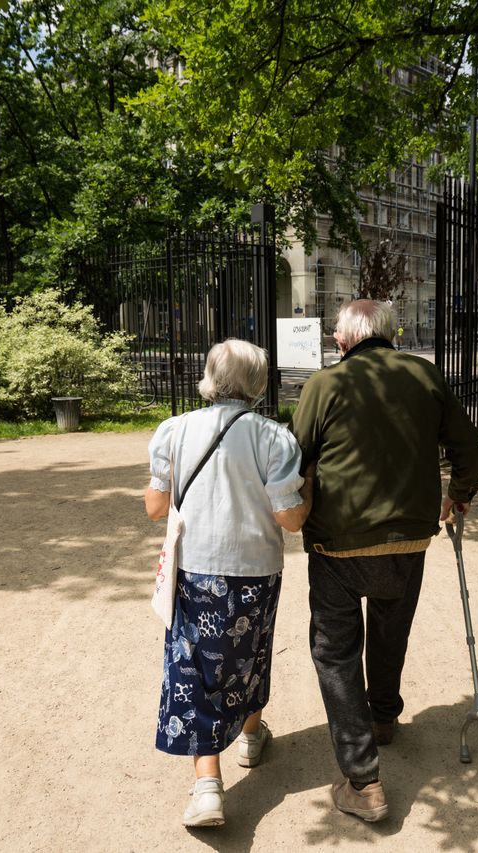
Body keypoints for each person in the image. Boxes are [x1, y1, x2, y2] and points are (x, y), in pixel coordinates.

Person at [290, 300, 478, 822]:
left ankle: (364, 781)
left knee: (335, 652)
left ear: (350, 337)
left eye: (336, 333)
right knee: (390, 627)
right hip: (408, 538)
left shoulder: (324, 385)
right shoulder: (425, 375)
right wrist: (459, 493)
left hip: (338, 540)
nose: (333, 340)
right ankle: (382, 716)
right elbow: (470, 448)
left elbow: (295, 457)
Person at [144, 338, 312, 828]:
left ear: (210, 378)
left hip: (195, 567)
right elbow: (292, 520)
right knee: (252, 651)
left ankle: (207, 789)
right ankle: (251, 736)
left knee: (193, 669)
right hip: (256, 568)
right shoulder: (274, 438)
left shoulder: (174, 430)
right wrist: (309, 495)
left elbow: (155, 508)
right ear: (259, 384)